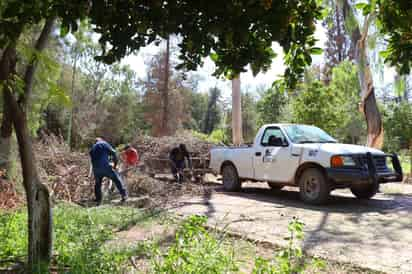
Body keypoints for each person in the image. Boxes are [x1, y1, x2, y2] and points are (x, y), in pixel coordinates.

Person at [89, 137, 128, 205]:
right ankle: (124, 195)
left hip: (96, 169)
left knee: (97, 184)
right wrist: (115, 165)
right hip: (105, 167)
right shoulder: (103, 143)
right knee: (117, 179)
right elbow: (113, 152)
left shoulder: (93, 148)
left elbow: (92, 160)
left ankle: (98, 199)